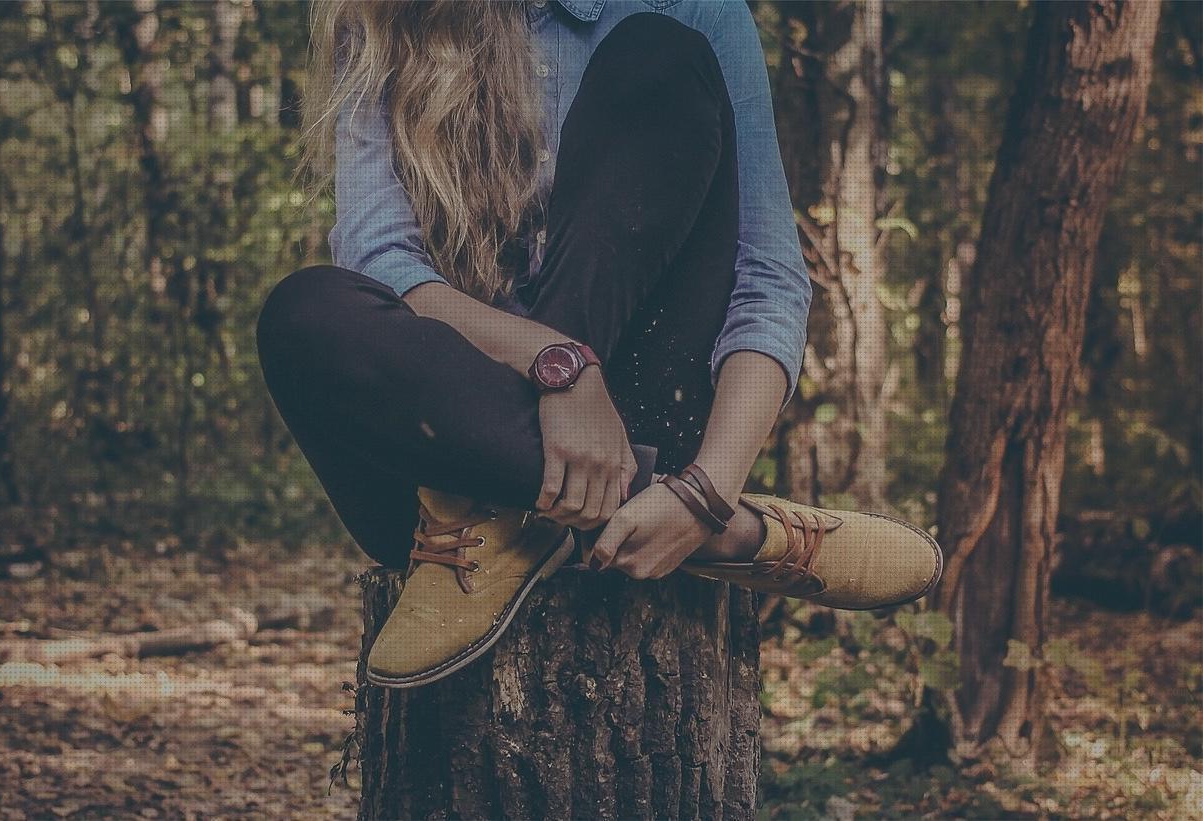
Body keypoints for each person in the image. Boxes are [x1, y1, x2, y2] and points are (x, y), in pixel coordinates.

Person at [256, 0, 942, 689]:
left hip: (635, 411)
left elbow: (765, 278)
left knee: (658, 58)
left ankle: (565, 511)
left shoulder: (698, 8)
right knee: (304, 311)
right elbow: (382, 258)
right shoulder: (384, 14)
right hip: (453, 454)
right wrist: (559, 368)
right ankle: (737, 537)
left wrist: (709, 483)